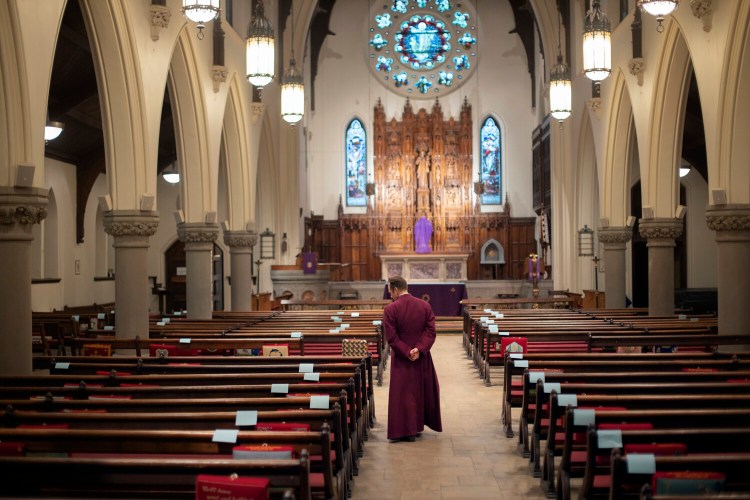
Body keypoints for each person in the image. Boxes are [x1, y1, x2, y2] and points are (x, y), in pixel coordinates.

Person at [383, 276, 442, 442]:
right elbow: (430, 331)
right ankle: (416, 426)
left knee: (403, 394)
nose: (390, 295)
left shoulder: (390, 310)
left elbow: (392, 339)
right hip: (421, 357)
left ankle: (404, 430)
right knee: (418, 391)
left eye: (390, 292)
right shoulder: (424, 305)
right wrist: (419, 349)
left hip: (402, 358)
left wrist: (407, 351)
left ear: (395, 289)